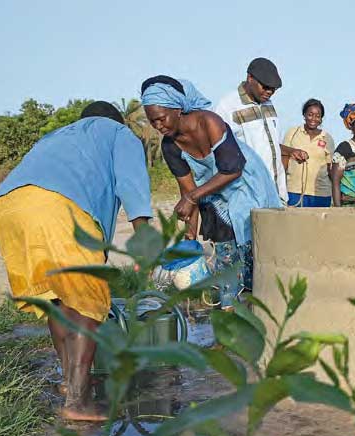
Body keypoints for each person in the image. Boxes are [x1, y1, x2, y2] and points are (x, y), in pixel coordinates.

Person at [0, 101, 153, 421]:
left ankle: (70, 383)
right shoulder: (119, 133)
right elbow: (132, 184)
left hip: (8, 206)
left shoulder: (55, 137)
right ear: (117, 121)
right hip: (56, 206)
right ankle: (77, 403)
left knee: (58, 298)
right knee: (87, 299)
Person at [141, 76, 281, 309]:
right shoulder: (170, 146)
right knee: (225, 251)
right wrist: (189, 237)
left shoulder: (209, 122)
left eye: (161, 119)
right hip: (214, 193)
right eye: (152, 122)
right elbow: (188, 189)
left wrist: (192, 198)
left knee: (252, 248)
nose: (158, 126)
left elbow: (233, 169)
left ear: (177, 109)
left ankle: (260, 306)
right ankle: (229, 312)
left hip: (246, 184)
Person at [214, 58, 307, 202]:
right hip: (249, 193)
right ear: (250, 78)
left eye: (274, 89)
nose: (270, 92)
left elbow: (270, 145)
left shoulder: (268, 104)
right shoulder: (228, 106)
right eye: (265, 87)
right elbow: (221, 153)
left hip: (276, 192)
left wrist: (291, 152)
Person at [282, 99, 336, 207]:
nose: (313, 119)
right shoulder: (292, 133)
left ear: (321, 119)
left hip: (321, 193)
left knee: (318, 224)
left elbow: (330, 167)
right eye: (310, 115)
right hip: (294, 191)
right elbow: (284, 160)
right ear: (304, 115)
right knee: (295, 223)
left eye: (317, 116)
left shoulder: (327, 138)